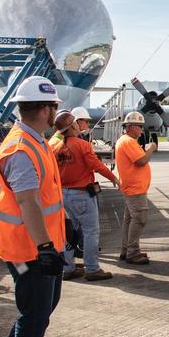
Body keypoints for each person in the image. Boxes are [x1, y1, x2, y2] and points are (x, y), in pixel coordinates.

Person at [0, 76, 67, 337]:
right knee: (33, 316)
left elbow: (44, 198)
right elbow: (28, 202)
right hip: (28, 250)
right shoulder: (20, 148)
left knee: (43, 307)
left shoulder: (35, 141)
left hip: (43, 244)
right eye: (54, 108)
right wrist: (45, 246)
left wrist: (63, 231)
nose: (55, 114)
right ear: (45, 108)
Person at [51, 109, 119, 281]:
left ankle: (68, 268)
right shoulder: (82, 145)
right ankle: (92, 268)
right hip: (81, 194)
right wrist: (114, 179)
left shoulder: (55, 147)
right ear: (73, 125)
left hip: (64, 195)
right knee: (90, 232)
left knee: (68, 233)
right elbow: (97, 165)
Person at [115, 110, 156, 265]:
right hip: (135, 189)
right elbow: (141, 161)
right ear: (130, 126)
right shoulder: (128, 142)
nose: (141, 129)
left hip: (132, 187)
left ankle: (126, 250)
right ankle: (132, 252)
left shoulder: (126, 141)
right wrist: (151, 149)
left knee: (130, 220)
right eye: (139, 126)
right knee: (139, 219)